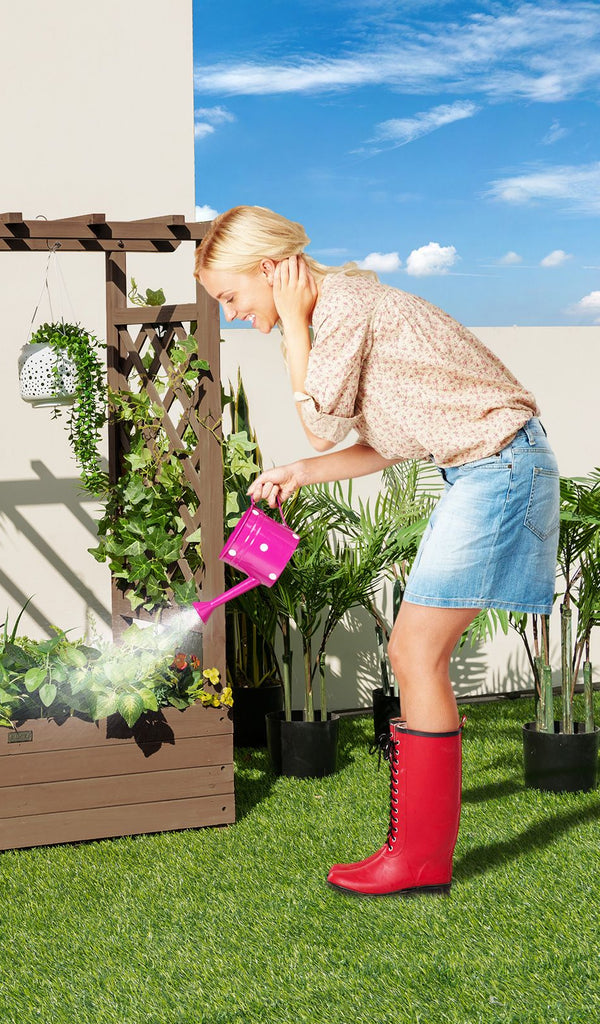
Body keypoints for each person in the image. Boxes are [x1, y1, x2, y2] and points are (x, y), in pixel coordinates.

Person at [196, 205, 560, 897]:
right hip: (487, 466)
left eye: (232, 296)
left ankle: (419, 858)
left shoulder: (341, 308)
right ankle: (416, 852)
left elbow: (322, 422)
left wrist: (296, 327)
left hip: (498, 467)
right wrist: (302, 471)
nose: (234, 312)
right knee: (417, 652)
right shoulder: (343, 311)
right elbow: (389, 439)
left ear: (271, 268)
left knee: (414, 652)